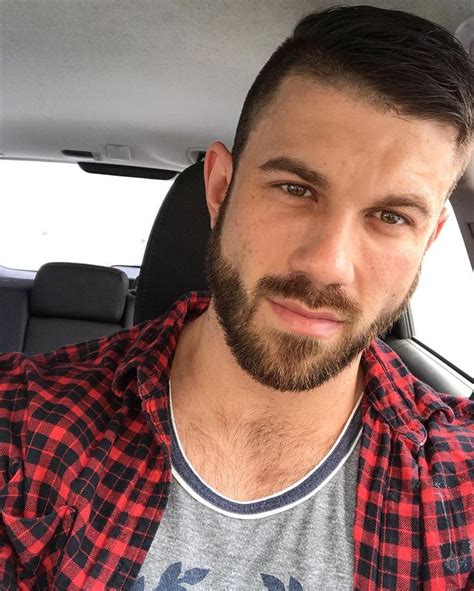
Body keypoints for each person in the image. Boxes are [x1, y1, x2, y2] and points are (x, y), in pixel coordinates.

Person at [1, 5, 473, 591]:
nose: (327, 265)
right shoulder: (23, 422)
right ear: (220, 188)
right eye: (295, 188)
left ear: (427, 240)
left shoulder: (460, 479)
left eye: (390, 216)